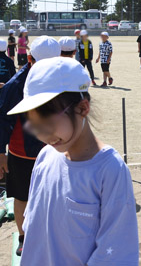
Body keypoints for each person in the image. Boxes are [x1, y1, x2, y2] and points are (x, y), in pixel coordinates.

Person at [7, 57, 139, 265]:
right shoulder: (45, 157)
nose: (42, 134)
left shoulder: (109, 169)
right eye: (34, 124)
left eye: (48, 122)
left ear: (83, 108)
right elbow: (34, 229)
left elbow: (115, 251)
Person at [0, 36, 61, 256]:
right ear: (30, 58)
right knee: (22, 197)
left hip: (56, 150)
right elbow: (2, 119)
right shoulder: (16, 84)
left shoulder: (62, 77)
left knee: (55, 196)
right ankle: (24, 238)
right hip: (23, 152)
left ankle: (51, 235)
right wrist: (0, 153)